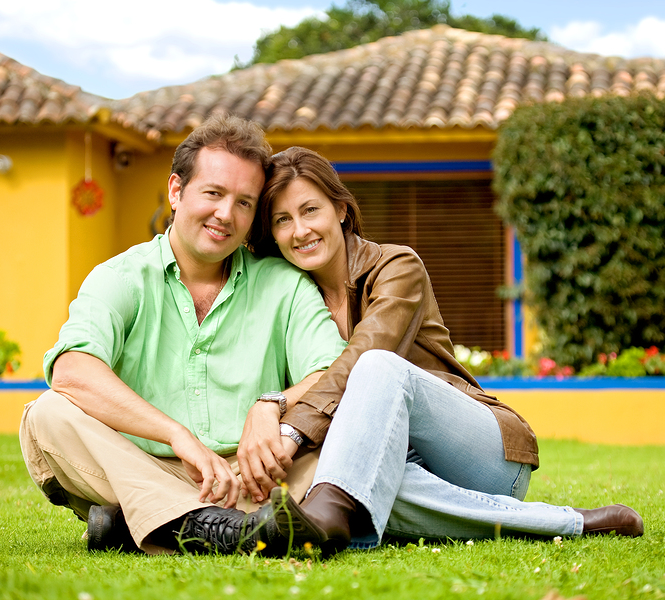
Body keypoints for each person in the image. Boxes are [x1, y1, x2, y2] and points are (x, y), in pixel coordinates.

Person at [242, 146, 644, 555]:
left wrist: (292, 431)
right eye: (282, 220)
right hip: (391, 460)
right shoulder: (290, 297)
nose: (300, 230)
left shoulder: (396, 267)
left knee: (377, 366)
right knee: (363, 491)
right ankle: (573, 523)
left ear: (342, 210)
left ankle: (330, 507)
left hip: (481, 453)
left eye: (310, 210)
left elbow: (365, 352)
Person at [18, 117, 348, 555]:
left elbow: (335, 371)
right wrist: (176, 435)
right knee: (47, 416)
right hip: (139, 464)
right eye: (213, 193)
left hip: (255, 476)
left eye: (244, 203)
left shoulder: (283, 283)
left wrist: (273, 405)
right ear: (176, 191)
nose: (226, 215)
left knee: (341, 435)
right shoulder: (121, 276)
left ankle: (143, 522)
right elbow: (72, 370)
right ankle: (221, 526)